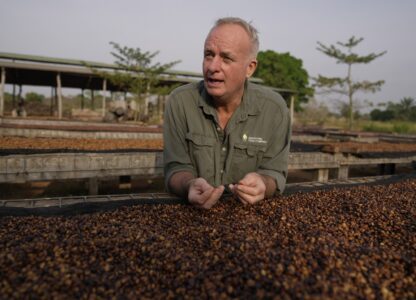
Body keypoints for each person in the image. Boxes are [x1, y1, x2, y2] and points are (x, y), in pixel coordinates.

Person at [163, 17, 291, 209]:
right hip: (190, 216)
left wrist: (263, 183)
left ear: (250, 68)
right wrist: (188, 184)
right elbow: (175, 168)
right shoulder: (180, 102)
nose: (212, 67)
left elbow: (275, 173)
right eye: (208, 54)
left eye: (226, 58)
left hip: (249, 221)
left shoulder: (274, 110)